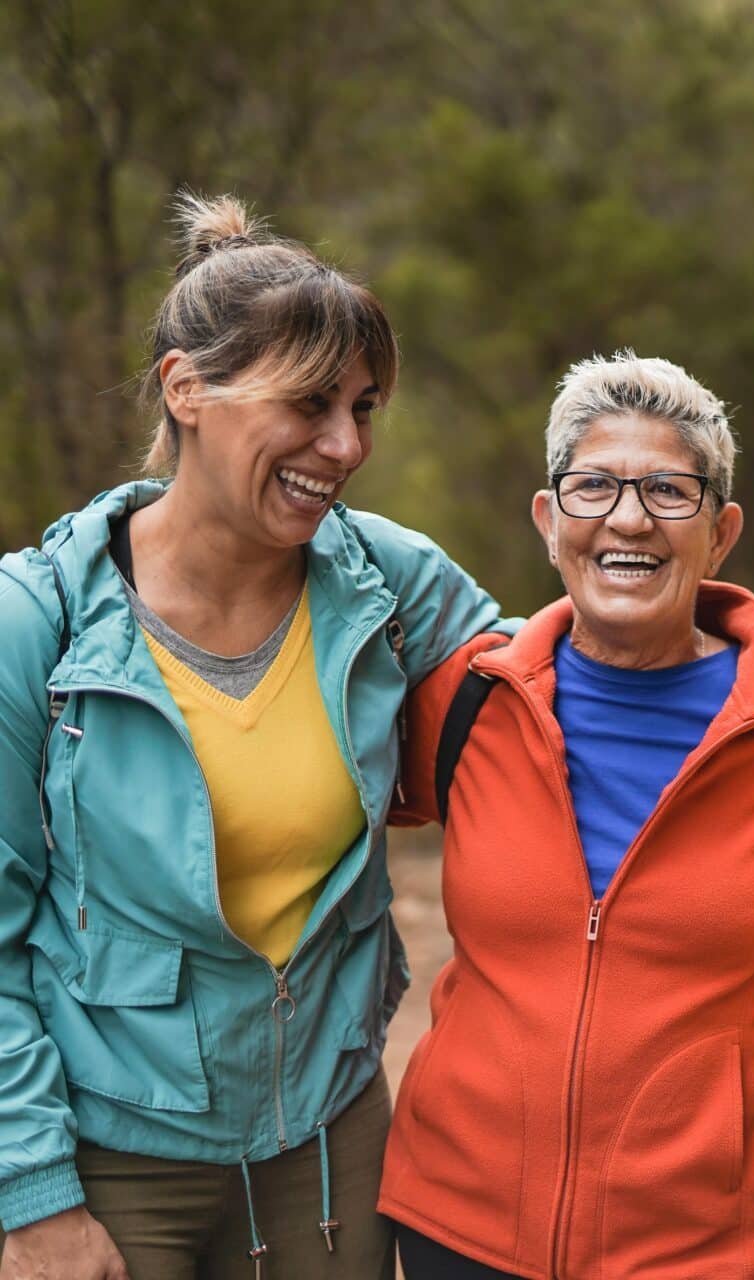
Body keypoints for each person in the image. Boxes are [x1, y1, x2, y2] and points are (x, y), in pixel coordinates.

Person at [0, 194, 509, 1280]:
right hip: (109, 1163)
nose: (344, 445)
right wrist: (33, 1194)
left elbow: (560, 689)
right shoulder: (33, 624)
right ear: (186, 389)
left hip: (332, 1147)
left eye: (364, 407)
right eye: (310, 402)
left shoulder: (386, 582)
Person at [376, 353, 754, 1279]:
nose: (629, 519)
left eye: (669, 492)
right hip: (457, 1227)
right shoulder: (467, 700)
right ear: (549, 521)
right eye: (593, 486)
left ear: (720, 534)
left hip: (703, 1249)